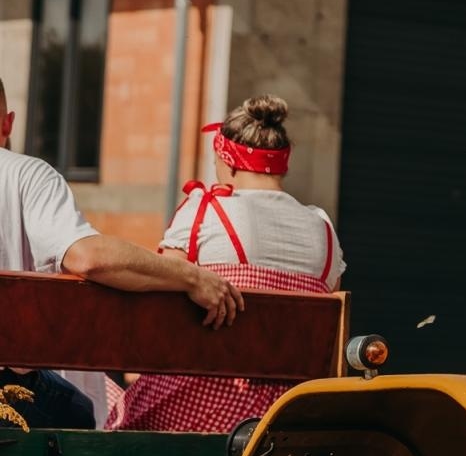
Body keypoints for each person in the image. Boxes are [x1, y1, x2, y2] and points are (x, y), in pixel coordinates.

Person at [0, 75, 244, 429]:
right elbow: (87, 257)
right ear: (8, 123)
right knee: (83, 418)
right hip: (9, 390)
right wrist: (192, 277)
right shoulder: (26, 174)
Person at [107, 95, 345, 433]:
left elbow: (158, 304)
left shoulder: (204, 210)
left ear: (226, 160)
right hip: (289, 412)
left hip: (197, 410)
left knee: (102, 401)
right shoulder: (323, 228)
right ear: (283, 165)